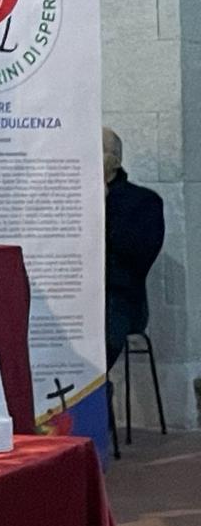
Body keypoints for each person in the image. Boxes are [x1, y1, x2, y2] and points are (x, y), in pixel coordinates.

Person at [104, 127, 164, 370]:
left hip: (120, 299)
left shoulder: (143, 201)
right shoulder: (70, 199)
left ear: (115, 161)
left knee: (104, 326)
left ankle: (95, 388)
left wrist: (104, 206)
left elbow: (135, 259)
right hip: (77, 295)